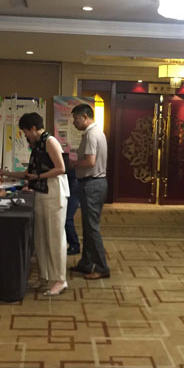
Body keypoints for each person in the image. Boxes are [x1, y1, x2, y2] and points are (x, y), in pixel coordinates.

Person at [0, 112, 69, 296]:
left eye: (25, 131)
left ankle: (59, 279)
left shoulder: (50, 141)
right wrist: (3, 173)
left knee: (54, 238)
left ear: (32, 128)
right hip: (41, 193)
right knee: (41, 238)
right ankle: (44, 276)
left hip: (54, 194)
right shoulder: (38, 144)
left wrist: (38, 176)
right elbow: (27, 174)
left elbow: (61, 168)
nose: (25, 136)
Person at [69, 103, 110, 279]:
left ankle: (101, 268)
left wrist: (74, 163)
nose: (74, 123)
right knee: (88, 226)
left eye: (76, 119)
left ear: (85, 117)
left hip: (92, 184)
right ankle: (86, 263)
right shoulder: (96, 132)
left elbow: (90, 161)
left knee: (92, 228)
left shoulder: (91, 134)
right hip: (95, 183)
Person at [65, 162, 81, 255]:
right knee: (66, 218)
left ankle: (74, 245)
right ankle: (73, 244)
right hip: (70, 183)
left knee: (67, 218)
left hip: (74, 184)